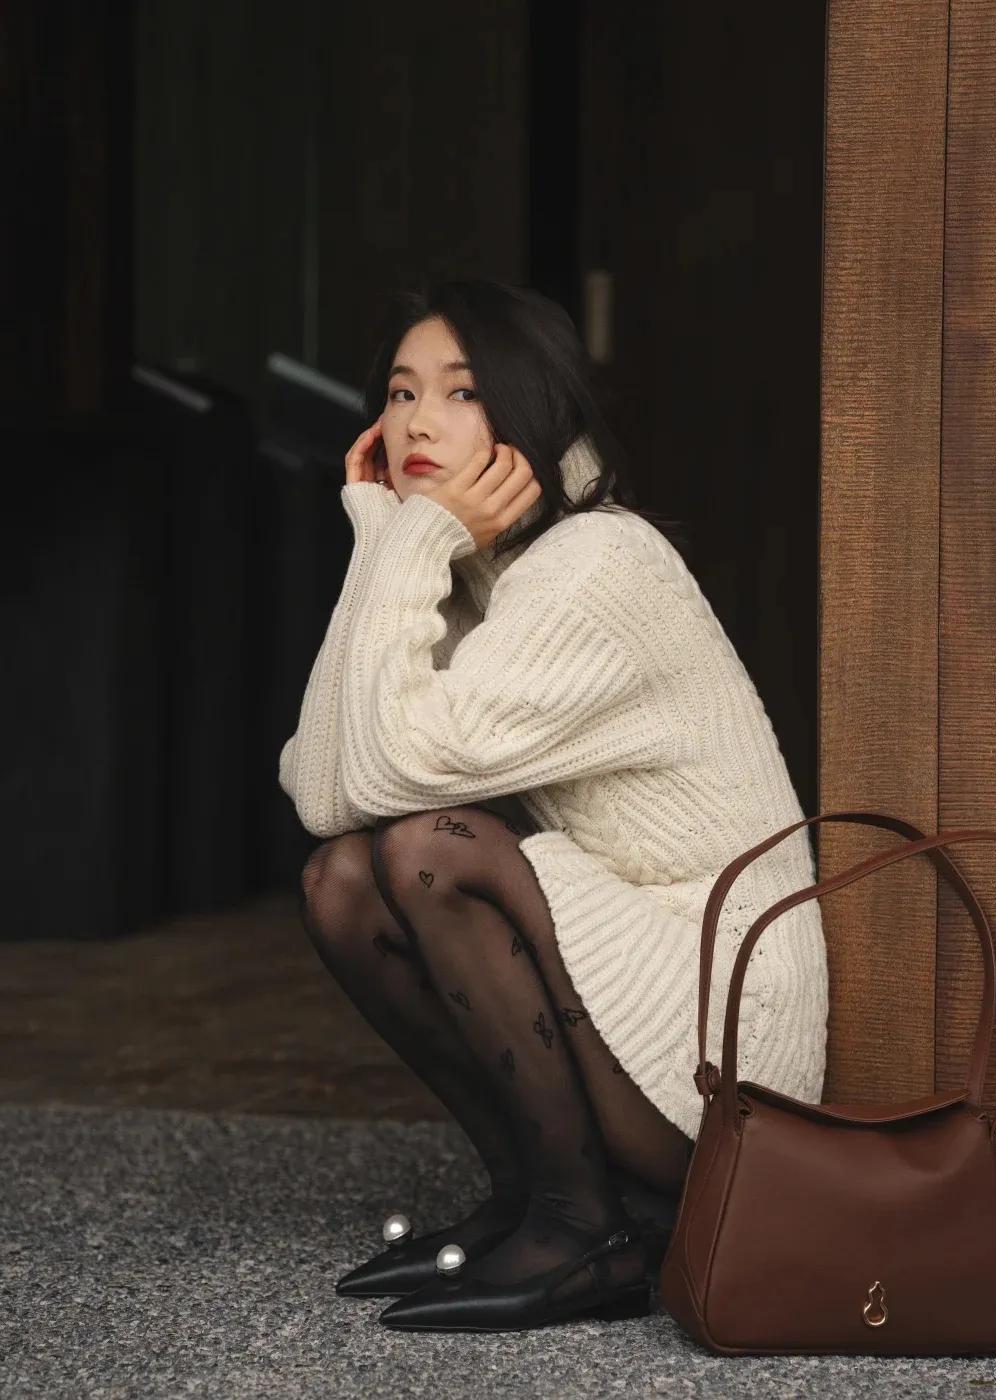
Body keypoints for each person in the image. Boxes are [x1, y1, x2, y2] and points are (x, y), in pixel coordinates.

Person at [278, 278, 829, 1333]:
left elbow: (386, 775)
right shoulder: (473, 569)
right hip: (630, 986)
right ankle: (533, 1198)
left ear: (530, 408)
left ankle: (586, 1231)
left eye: (462, 391)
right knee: (342, 878)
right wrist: (386, 539)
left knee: (434, 851)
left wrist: (403, 544)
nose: (418, 423)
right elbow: (322, 784)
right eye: (400, 393)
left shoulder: (595, 562)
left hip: (726, 1036)